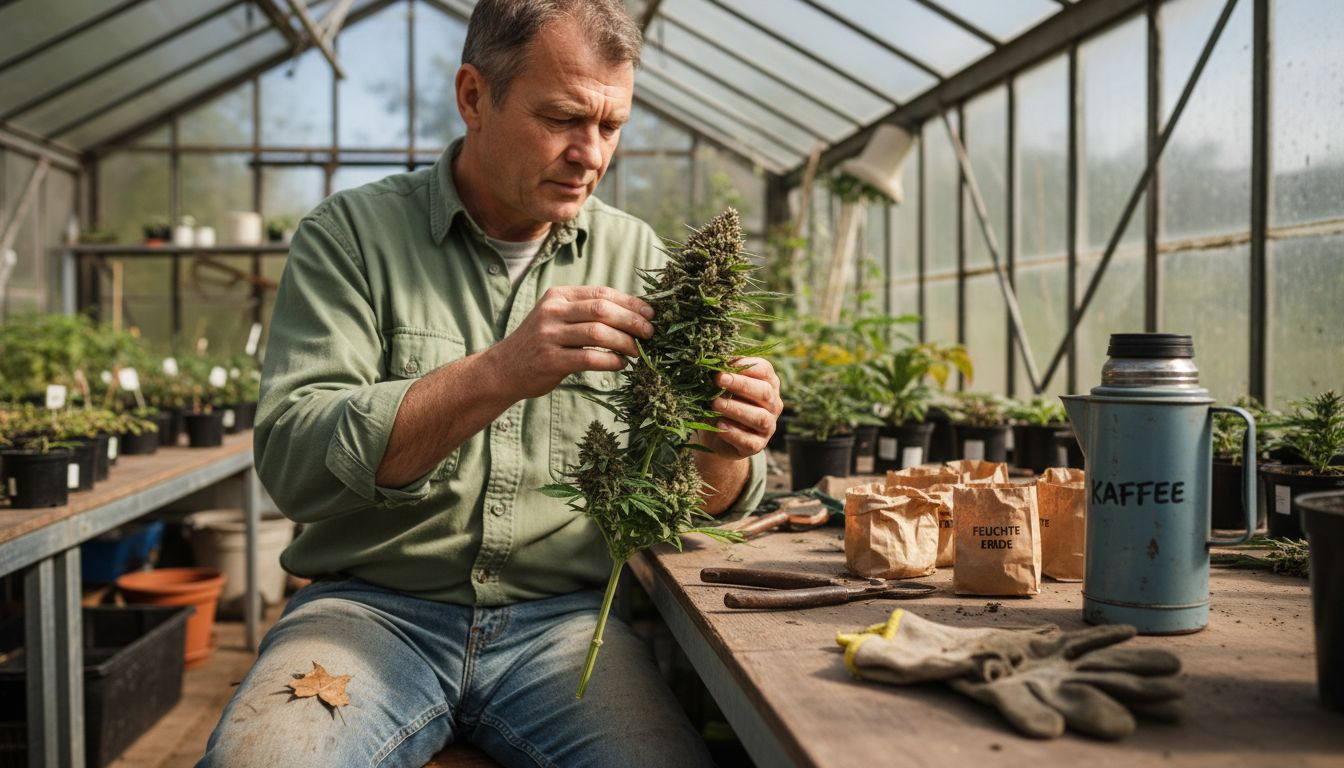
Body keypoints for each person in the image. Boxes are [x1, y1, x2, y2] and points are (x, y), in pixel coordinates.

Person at [197, 1, 781, 765]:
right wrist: (500, 371)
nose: (591, 154)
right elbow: (294, 464)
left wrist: (724, 443)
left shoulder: (639, 258)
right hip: (369, 614)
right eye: (563, 118)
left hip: (565, 628)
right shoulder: (352, 238)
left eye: (611, 126)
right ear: (474, 97)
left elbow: (689, 506)